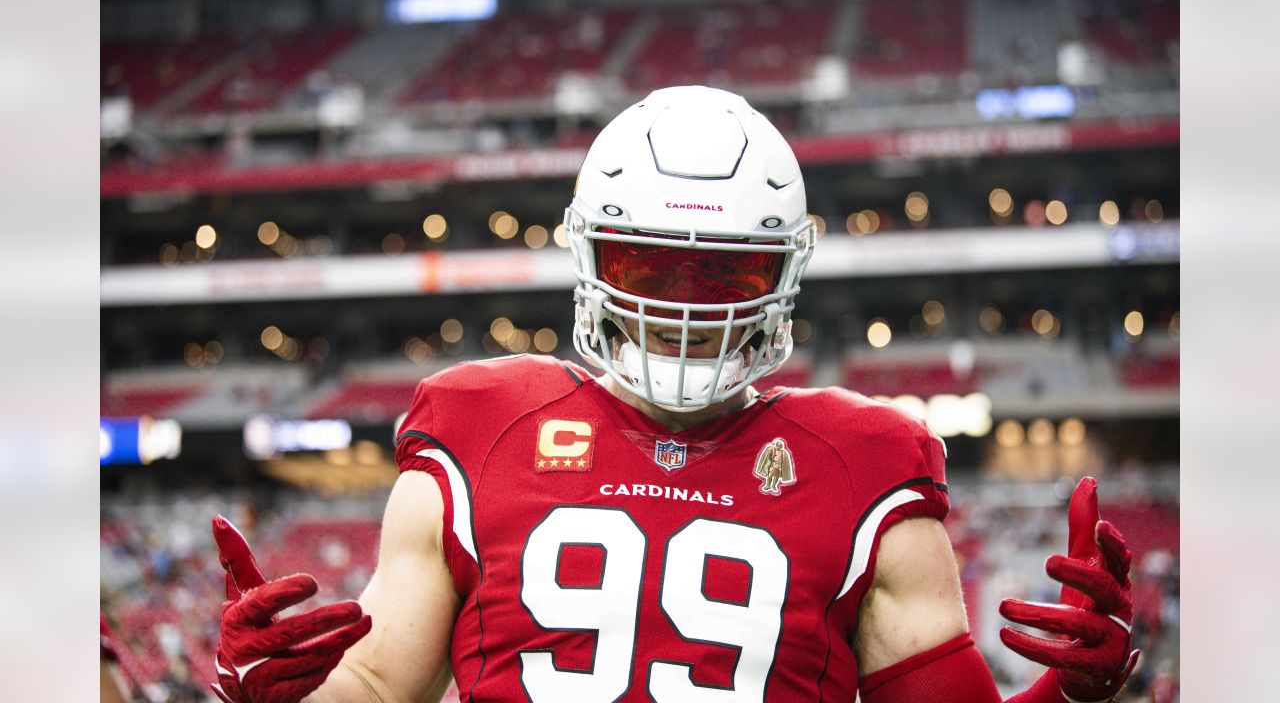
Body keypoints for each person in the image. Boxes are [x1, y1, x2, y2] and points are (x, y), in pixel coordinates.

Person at [210, 86, 1138, 703]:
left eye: (723, 274)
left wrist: (1075, 693)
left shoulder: (865, 463)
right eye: (649, 264)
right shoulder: (481, 425)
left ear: (780, 276)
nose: (680, 304)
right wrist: (271, 687)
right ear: (592, 257)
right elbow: (377, 686)